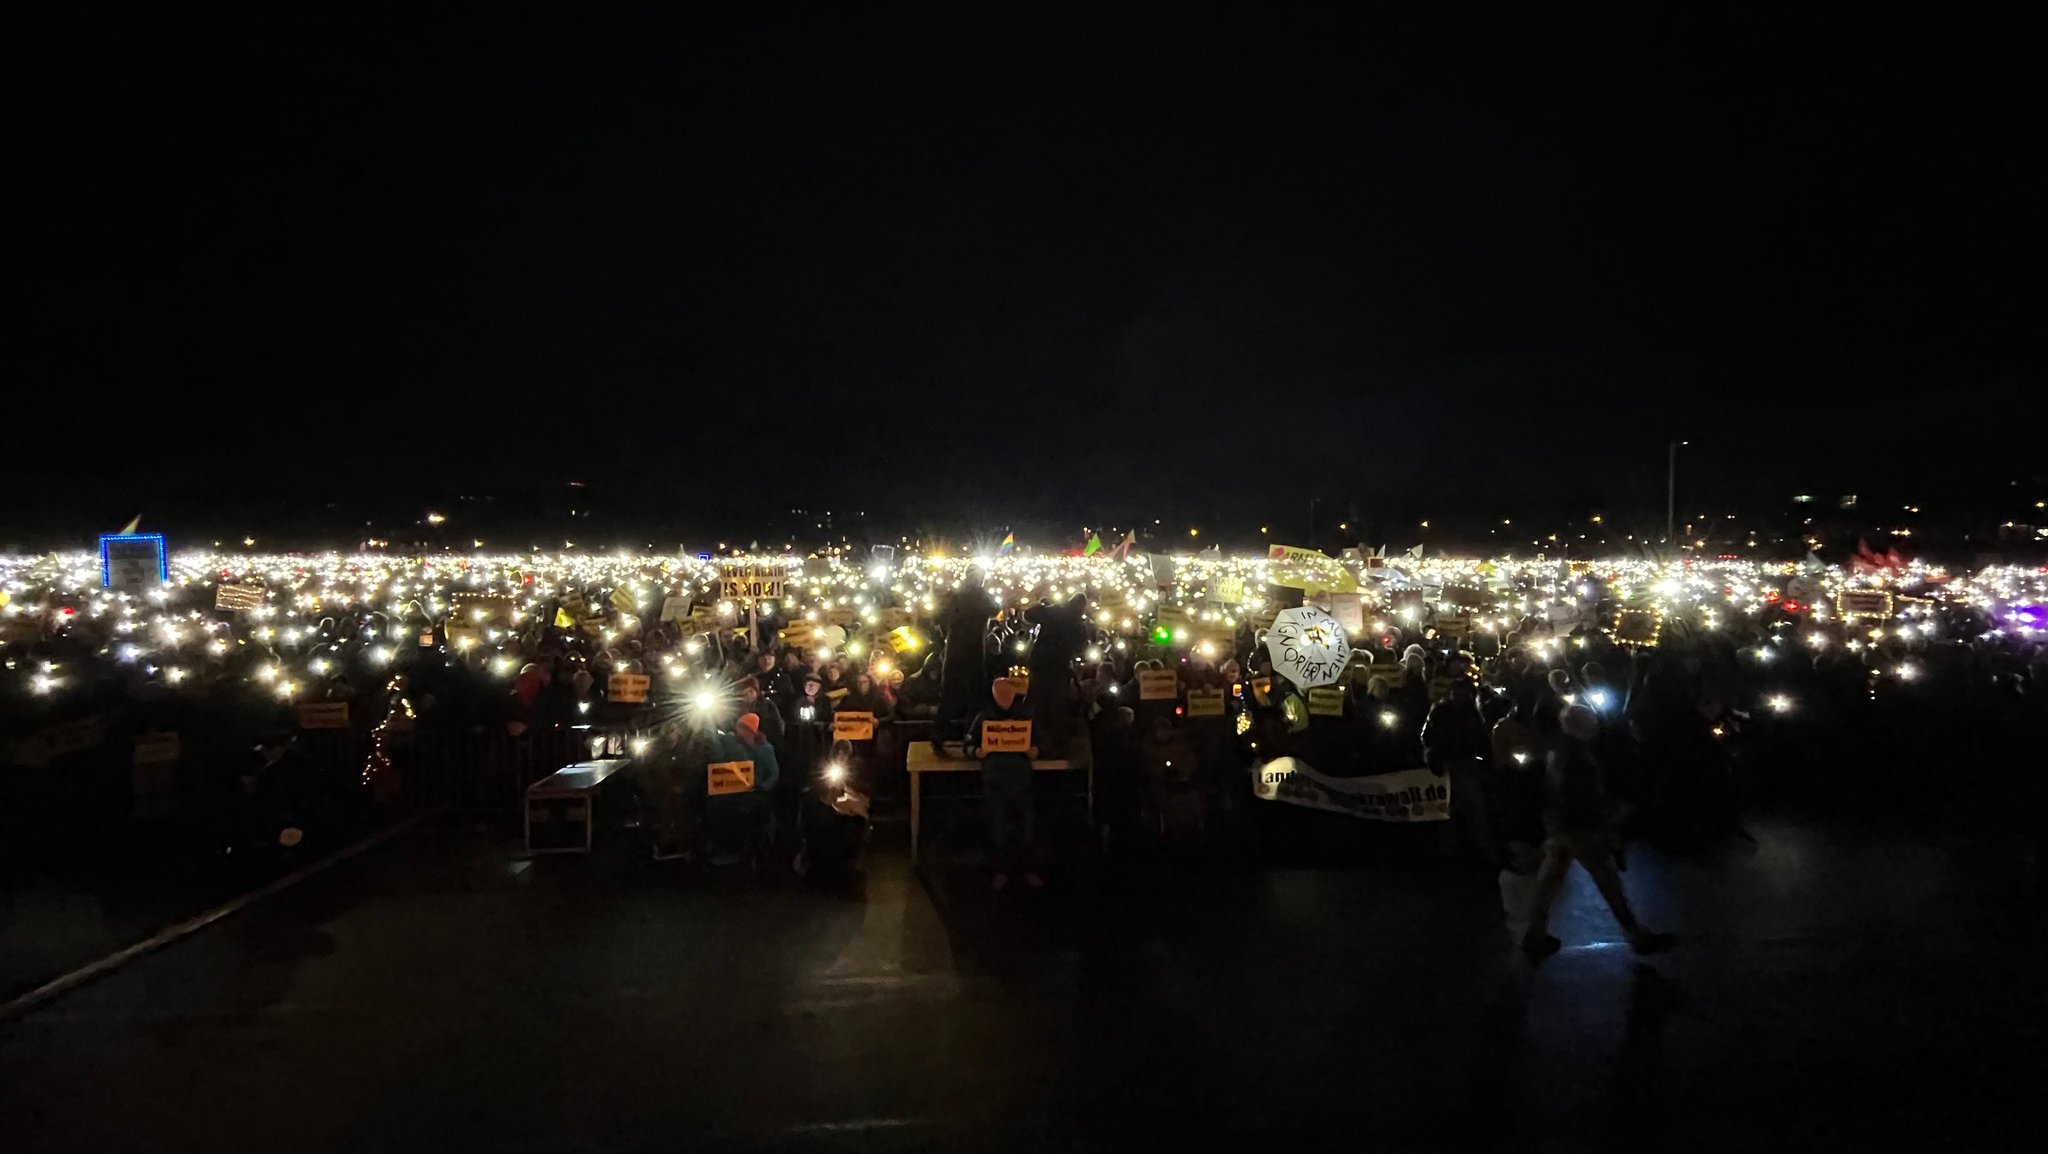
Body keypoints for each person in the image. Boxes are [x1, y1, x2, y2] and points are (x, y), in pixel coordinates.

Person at [1522, 705, 1673, 960]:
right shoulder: (1579, 759)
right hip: (1580, 829)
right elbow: (1585, 799)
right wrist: (1609, 818)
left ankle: (1534, 934)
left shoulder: (1560, 752)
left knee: (1550, 881)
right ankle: (1636, 934)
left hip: (1561, 826)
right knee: (1607, 880)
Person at [966, 676, 1041, 890]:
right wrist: (978, 751)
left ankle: (1026, 869)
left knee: (1026, 827)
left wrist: (1034, 750)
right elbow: (968, 743)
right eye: (1000, 693)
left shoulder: (1025, 716)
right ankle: (1001, 870)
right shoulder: (984, 717)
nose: (1004, 697)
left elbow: (1038, 742)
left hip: (1021, 779)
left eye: (1007, 693)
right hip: (995, 779)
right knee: (998, 827)